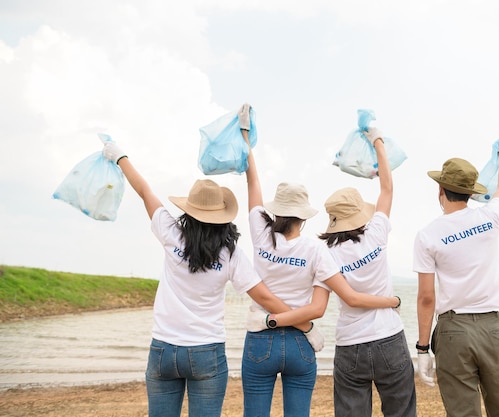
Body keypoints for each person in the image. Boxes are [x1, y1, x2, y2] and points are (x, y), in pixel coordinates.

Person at [101, 141, 302, 417]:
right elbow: (265, 297)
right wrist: (304, 323)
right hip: (206, 352)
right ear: (222, 216)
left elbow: (144, 190)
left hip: (163, 349)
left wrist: (119, 157)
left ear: (189, 211)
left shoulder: (171, 235)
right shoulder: (230, 254)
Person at [238, 104, 400, 417]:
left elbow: (252, 182)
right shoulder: (317, 251)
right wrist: (308, 328)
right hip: (301, 341)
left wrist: (246, 136)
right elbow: (319, 309)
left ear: (276, 211)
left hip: (260, 339)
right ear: (304, 216)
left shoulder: (261, 232)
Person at [413, 134, 499, 417]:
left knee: (462, 413)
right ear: (471, 193)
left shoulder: (427, 236)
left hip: (453, 332)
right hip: (494, 326)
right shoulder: (490, 217)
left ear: (440, 189)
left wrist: (423, 349)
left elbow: (426, 297)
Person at [317, 126, 417, 417]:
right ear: (360, 213)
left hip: (351, 344)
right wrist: (377, 142)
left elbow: (349, 299)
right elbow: (387, 187)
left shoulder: (326, 254)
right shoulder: (376, 233)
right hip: (389, 337)